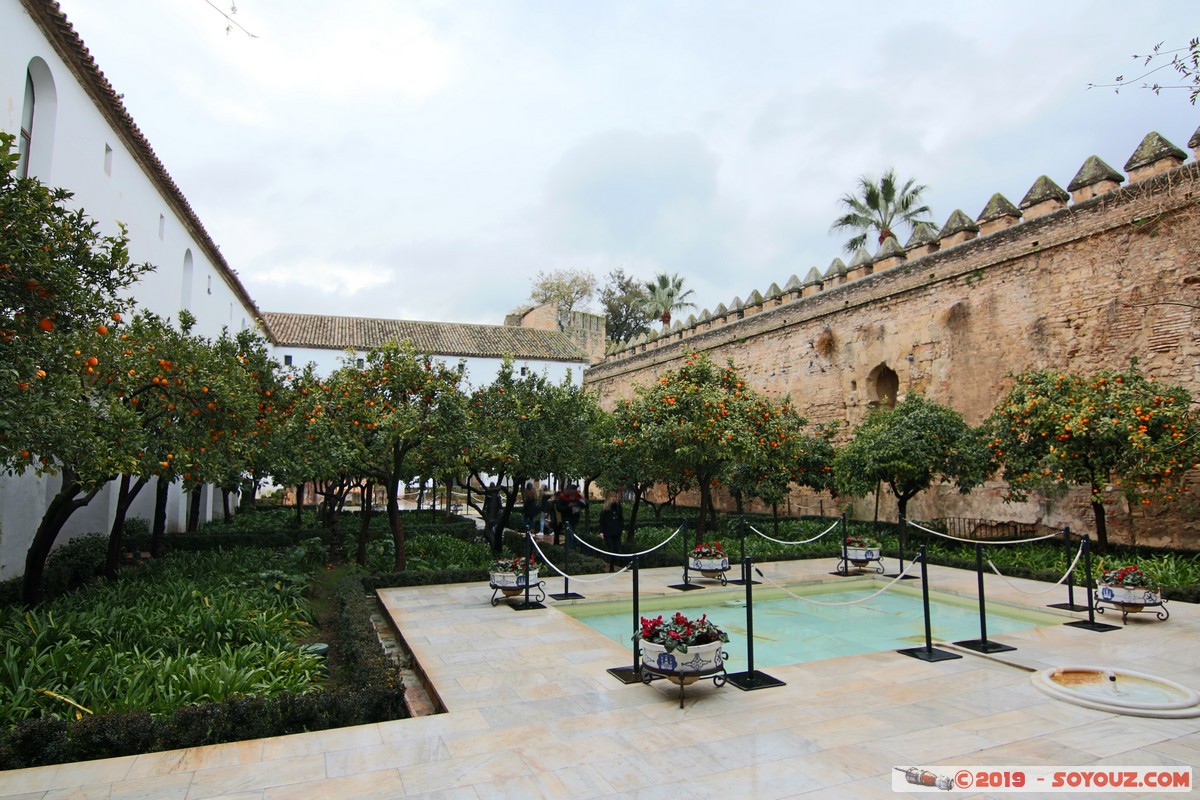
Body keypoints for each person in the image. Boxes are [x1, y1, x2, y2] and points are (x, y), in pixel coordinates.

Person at [598, 490, 624, 572]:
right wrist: (601, 531)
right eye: (612, 497)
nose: (614, 499)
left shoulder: (618, 507)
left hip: (616, 532)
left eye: (615, 497)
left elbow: (621, 518)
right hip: (608, 532)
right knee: (611, 549)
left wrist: (621, 528)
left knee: (616, 549)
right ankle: (611, 567)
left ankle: (615, 565)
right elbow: (602, 520)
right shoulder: (605, 509)